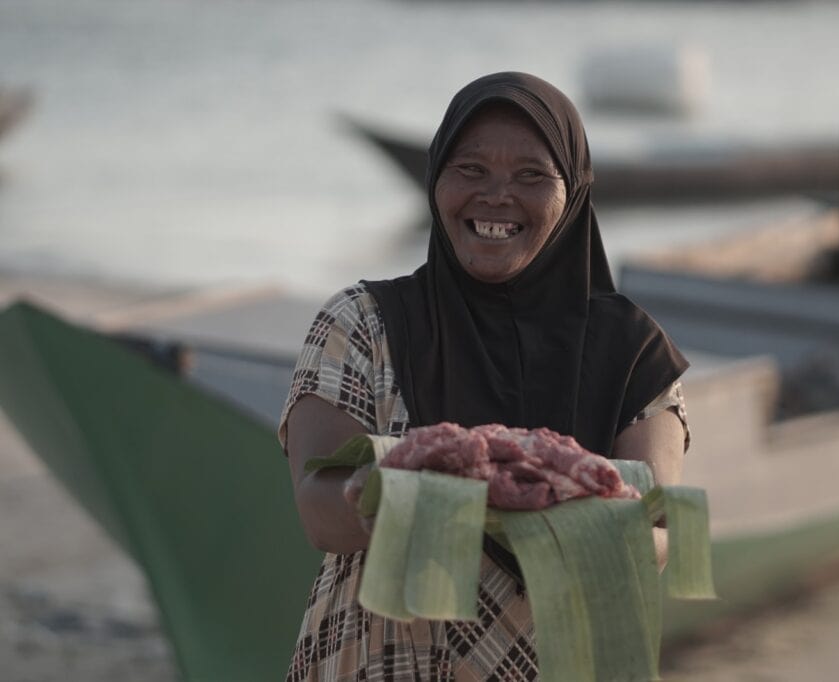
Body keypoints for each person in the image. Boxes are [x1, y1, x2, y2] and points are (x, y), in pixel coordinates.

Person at [278, 71, 690, 682]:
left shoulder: (632, 349)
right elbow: (318, 511)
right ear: (435, 178)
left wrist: (580, 514)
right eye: (470, 169)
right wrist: (398, 495)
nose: (497, 196)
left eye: (531, 176)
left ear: (573, 191)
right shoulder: (361, 324)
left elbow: (657, 536)